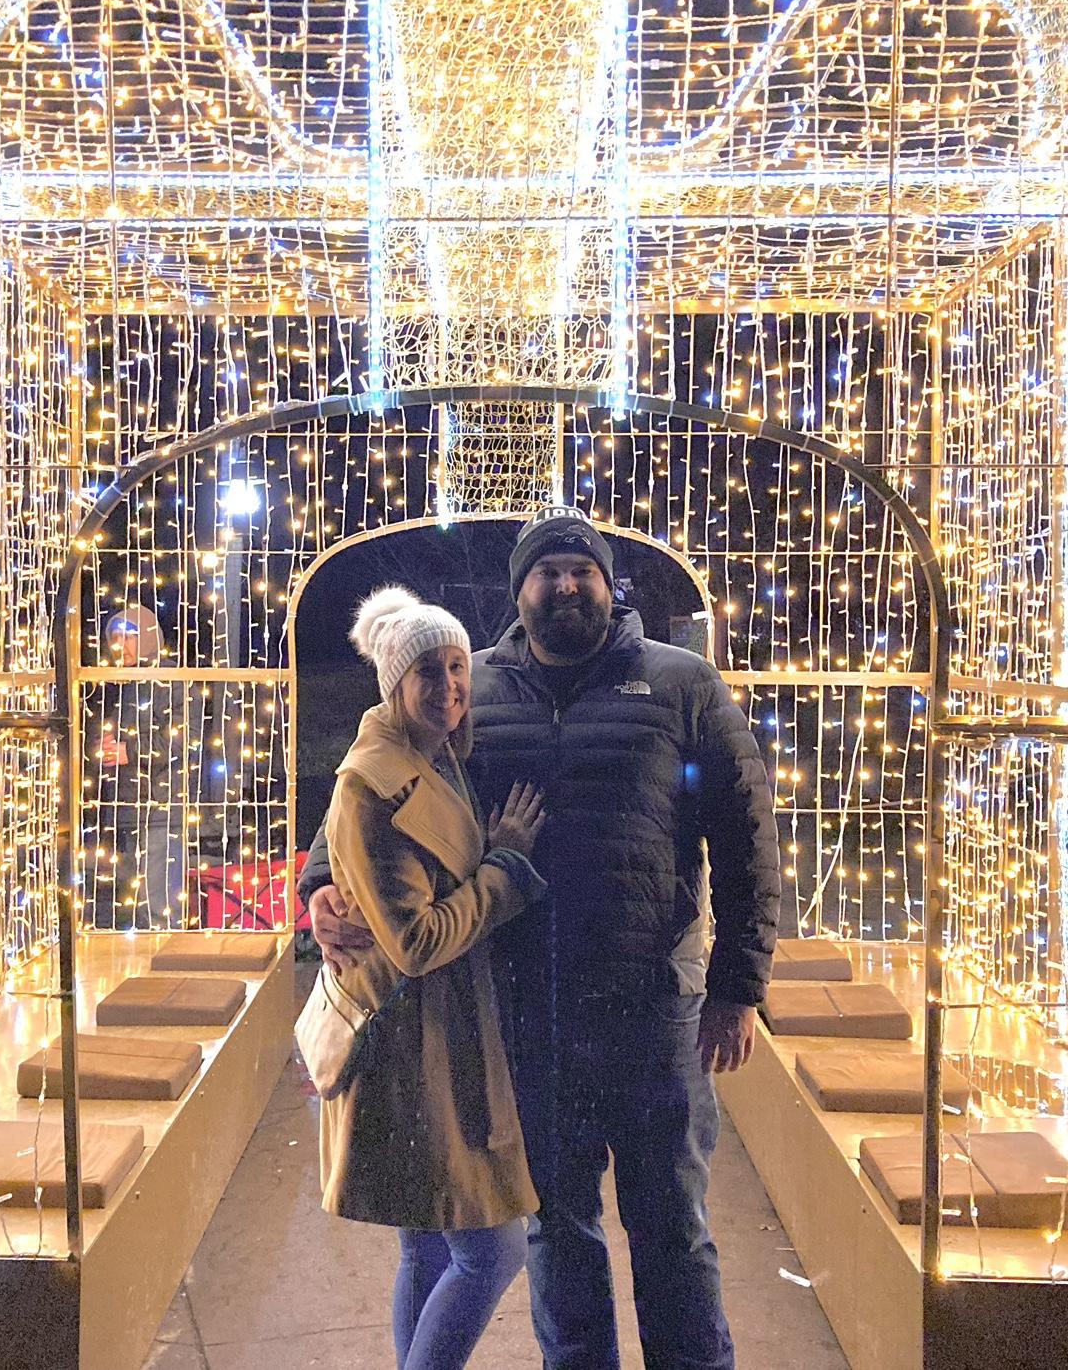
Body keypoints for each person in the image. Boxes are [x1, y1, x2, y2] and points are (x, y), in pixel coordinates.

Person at [302, 508, 780, 1370]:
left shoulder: (682, 684)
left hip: (653, 1012)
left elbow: (746, 838)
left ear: (608, 585)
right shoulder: (464, 683)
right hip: (525, 1014)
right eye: (546, 573)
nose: (565, 586)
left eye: (581, 571)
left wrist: (739, 989)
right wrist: (319, 889)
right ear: (518, 592)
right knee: (558, 1231)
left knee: (673, 1228)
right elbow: (370, 790)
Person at [317, 585, 549, 1370]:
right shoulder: (374, 783)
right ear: (394, 683)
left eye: (458, 668)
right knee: (494, 1248)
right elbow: (415, 940)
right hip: (418, 1041)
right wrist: (506, 868)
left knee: (426, 1243)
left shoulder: (432, 751)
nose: (451, 687)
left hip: (443, 1027)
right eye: (429, 672)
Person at [89, 605, 195, 929]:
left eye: (129, 636)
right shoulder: (116, 683)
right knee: (136, 899)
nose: (121, 644)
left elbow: (180, 739)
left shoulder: (169, 679)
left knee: (160, 901)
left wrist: (130, 750)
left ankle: (170, 970)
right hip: (126, 807)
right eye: (116, 636)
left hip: (160, 808)